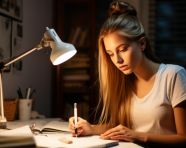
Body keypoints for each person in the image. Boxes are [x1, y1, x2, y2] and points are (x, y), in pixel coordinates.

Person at [69, 0, 186, 147]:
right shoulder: (125, 82)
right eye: (111, 54)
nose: (117, 60)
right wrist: (91, 128)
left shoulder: (173, 75)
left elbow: (184, 138)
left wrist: (138, 136)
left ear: (142, 43)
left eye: (123, 49)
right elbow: (122, 127)